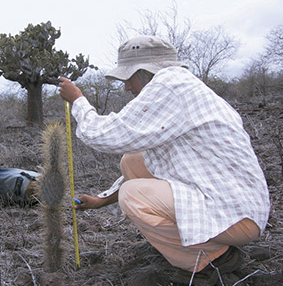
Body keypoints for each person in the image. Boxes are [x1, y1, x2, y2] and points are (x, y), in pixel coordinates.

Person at [59, 35, 270, 285]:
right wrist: (102, 200)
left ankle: (209, 259)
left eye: (128, 78)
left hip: (236, 216)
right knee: (133, 160)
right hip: (233, 203)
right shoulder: (181, 85)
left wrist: (78, 101)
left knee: (132, 195)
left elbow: (105, 135)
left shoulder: (169, 86)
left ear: (145, 72)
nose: (126, 87)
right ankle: (199, 244)